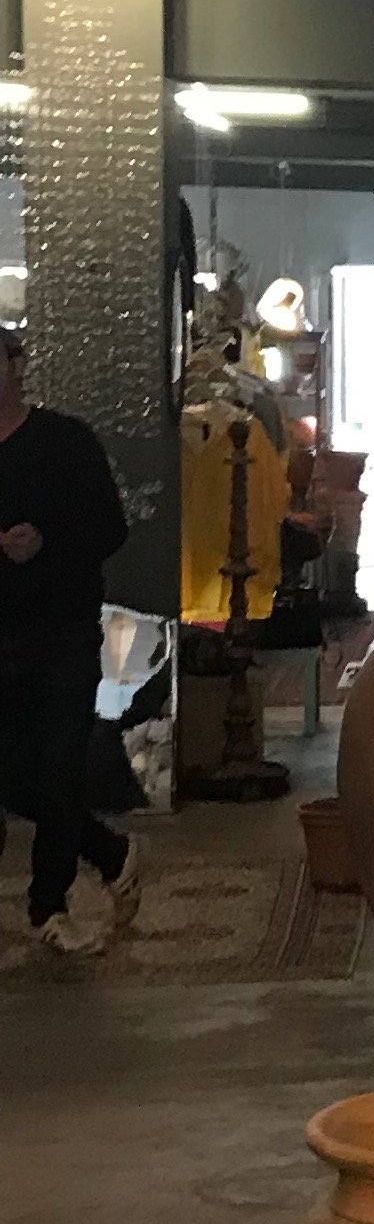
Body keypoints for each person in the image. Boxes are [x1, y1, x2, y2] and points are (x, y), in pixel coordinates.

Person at [0, 320, 142, 958]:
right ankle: (110, 852)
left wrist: (46, 543)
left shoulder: (64, 442)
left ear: (15, 365)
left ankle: (47, 906)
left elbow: (110, 528)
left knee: (59, 769)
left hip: (61, 631)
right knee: (14, 779)